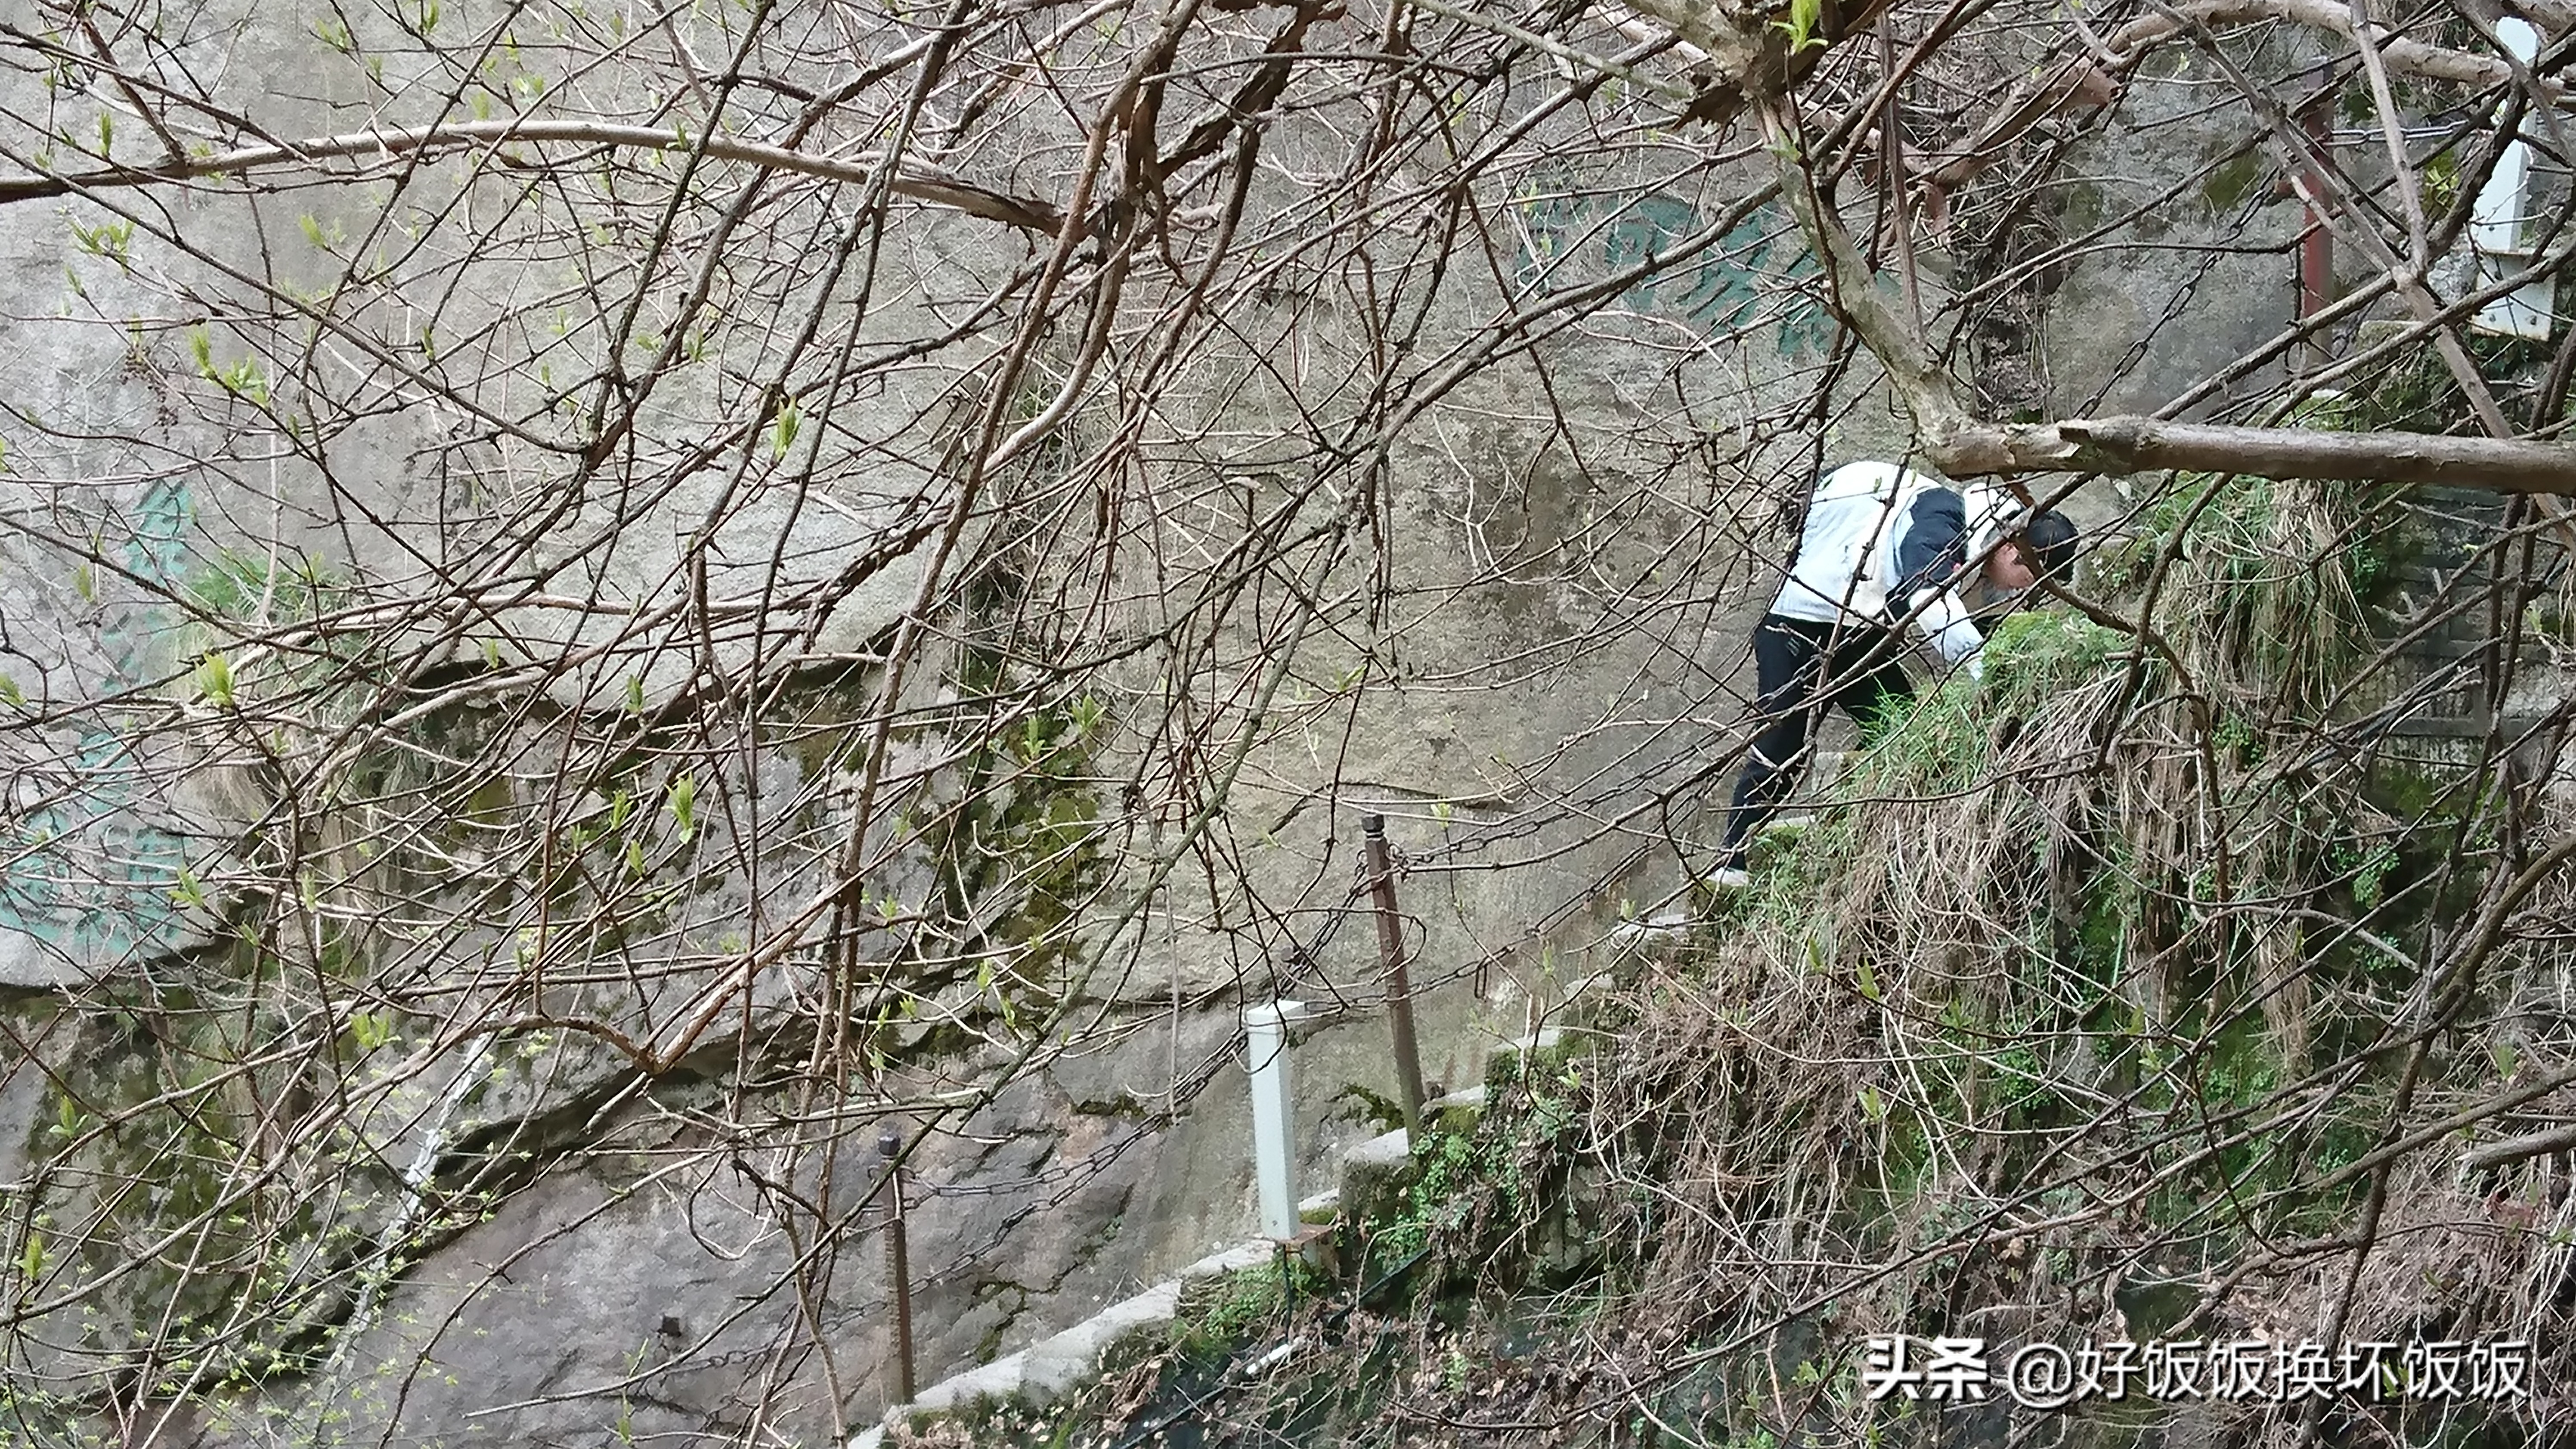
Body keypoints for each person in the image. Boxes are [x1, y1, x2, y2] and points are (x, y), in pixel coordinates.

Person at [1710, 460, 2078, 886]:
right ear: (2011, 549)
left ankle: (1864, 837)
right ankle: (1731, 862)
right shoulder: (1940, 517)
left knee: (1897, 727)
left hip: (1858, 631)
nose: (2021, 588)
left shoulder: (1971, 553)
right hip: (1798, 625)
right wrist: (1984, 673)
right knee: (1782, 744)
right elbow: (1926, 595)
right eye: (2027, 575)